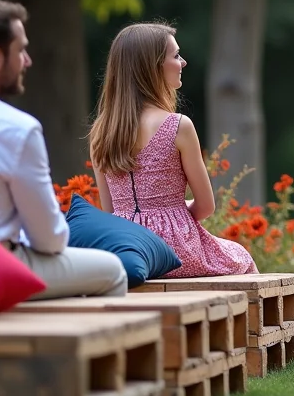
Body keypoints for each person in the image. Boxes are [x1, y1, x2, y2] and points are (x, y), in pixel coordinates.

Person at [0, 0, 127, 299]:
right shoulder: (17, 129)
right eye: (21, 49)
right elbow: (49, 240)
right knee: (113, 270)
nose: (27, 60)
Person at [88, 23, 256, 277]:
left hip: (126, 248)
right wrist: (170, 213)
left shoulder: (100, 133)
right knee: (240, 257)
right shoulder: (177, 126)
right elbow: (206, 206)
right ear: (153, 66)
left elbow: (110, 211)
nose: (183, 62)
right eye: (176, 55)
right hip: (175, 252)